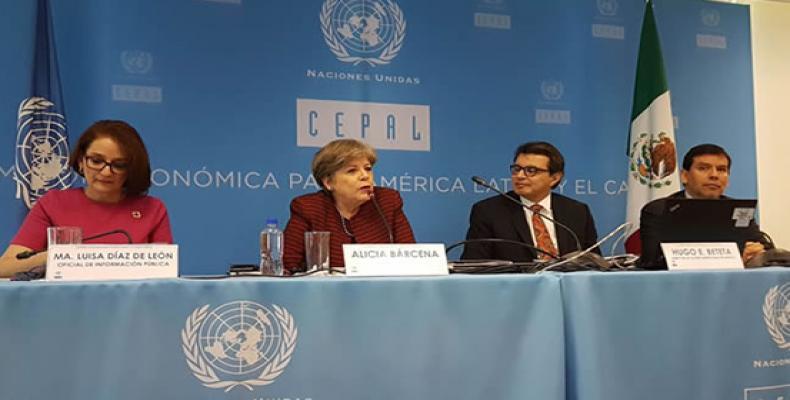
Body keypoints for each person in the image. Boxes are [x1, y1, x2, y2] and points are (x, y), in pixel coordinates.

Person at [0, 120, 173, 278]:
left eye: (119, 165)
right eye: (96, 161)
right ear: (81, 161)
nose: (106, 172)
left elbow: (166, 273)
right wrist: (59, 256)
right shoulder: (54, 203)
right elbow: (5, 267)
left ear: (131, 169)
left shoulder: (152, 209)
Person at [283, 139, 415, 272]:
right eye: (352, 171)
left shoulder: (387, 202)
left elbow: (412, 259)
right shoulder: (308, 208)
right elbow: (288, 266)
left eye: (368, 169)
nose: (365, 176)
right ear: (328, 182)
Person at [462, 141, 599, 262]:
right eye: (516, 169)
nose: (520, 176)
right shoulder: (489, 211)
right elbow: (474, 264)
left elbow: (594, 261)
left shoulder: (577, 211)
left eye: (531, 171)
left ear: (555, 178)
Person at [639, 143, 770, 268]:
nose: (714, 175)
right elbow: (652, 260)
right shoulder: (657, 210)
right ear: (684, 176)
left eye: (721, 169)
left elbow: (768, 250)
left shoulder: (738, 209)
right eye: (703, 168)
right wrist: (734, 259)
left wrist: (757, 253)